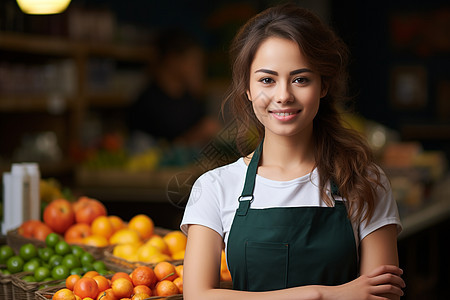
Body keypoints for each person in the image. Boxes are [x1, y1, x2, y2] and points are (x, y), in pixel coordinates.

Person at [180, 3, 405, 300]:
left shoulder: (364, 181)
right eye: (267, 80)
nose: (283, 95)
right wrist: (322, 294)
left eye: (300, 79)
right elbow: (197, 296)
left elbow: (382, 296)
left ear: (323, 85)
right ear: (247, 89)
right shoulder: (215, 187)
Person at [127, 28, 220, 147]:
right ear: (172, 60)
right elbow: (151, 152)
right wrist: (195, 136)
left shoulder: (189, 98)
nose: (197, 68)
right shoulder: (148, 102)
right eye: (193, 61)